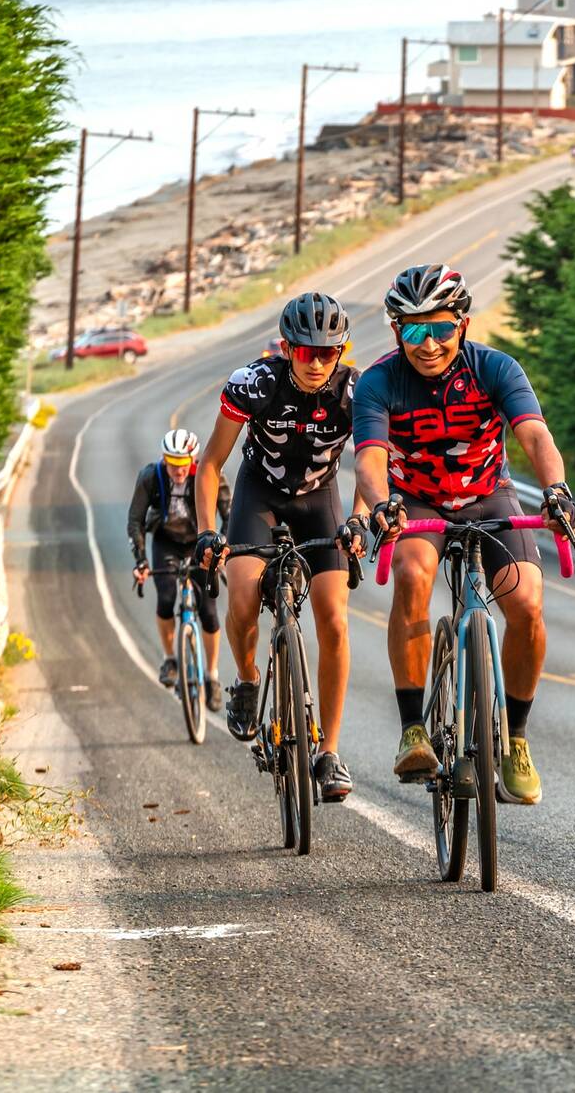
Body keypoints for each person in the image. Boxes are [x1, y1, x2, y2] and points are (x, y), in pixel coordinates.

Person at [351, 264, 575, 807]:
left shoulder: (496, 368)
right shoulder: (379, 382)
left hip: (487, 493)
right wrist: (381, 505)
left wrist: (557, 489)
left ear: (464, 324)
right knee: (412, 573)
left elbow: (534, 435)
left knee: (525, 602)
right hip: (417, 500)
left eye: (441, 329)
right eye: (413, 330)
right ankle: (413, 729)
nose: (428, 344)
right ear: (395, 331)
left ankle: (515, 739)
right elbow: (369, 460)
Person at [196, 293, 371, 803]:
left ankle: (331, 751)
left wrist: (359, 519)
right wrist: (210, 530)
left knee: (334, 618)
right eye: (306, 352)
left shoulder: (355, 391)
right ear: (287, 347)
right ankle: (248, 682)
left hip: (320, 498)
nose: (317, 362)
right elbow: (210, 464)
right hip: (260, 494)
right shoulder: (254, 384)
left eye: (329, 352)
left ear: (340, 352)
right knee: (244, 598)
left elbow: (369, 463)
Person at [128, 428, 229, 705]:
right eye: (172, 464)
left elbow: (229, 514)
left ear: (192, 461)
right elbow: (135, 520)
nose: (178, 471)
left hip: (200, 544)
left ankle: (212, 676)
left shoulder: (208, 476)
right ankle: (170, 659)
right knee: (166, 598)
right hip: (166, 541)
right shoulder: (151, 477)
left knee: (208, 612)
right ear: (164, 460)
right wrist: (141, 561)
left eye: (183, 465)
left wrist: (223, 550)